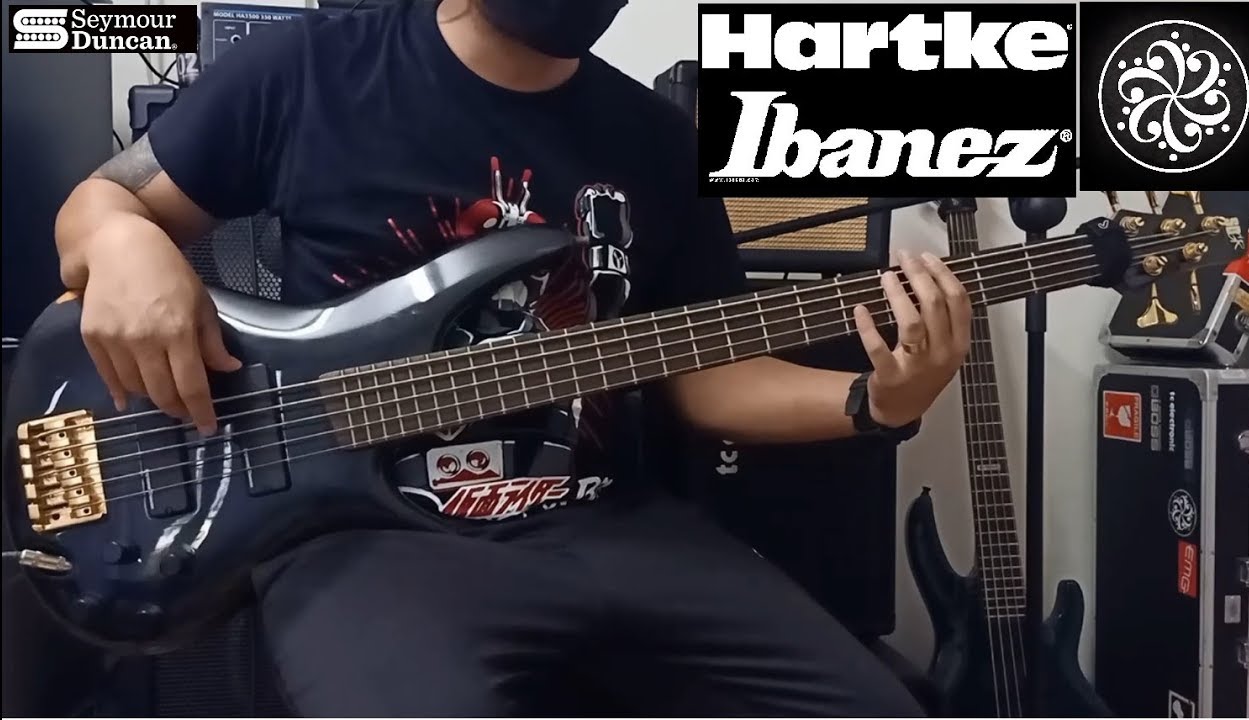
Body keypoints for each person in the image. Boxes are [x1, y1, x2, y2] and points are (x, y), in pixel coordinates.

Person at [54, 0, 973, 715]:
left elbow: (703, 369)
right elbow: (97, 208)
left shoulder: (653, 138)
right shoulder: (312, 68)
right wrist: (125, 241)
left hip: (606, 526)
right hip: (368, 542)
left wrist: (874, 401)